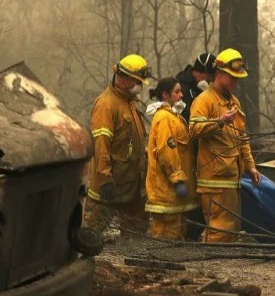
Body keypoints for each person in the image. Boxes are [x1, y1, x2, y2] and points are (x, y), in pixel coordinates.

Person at [189, 48, 261, 242]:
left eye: (238, 78)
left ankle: (217, 268)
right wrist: (219, 121)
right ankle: (206, 269)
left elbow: (241, 138)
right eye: (232, 77)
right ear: (219, 73)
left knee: (230, 231)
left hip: (231, 179)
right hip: (214, 181)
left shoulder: (233, 101)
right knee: (218, 231)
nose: (235, 82)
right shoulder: (204, 100)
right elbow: (193, 130)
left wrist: (250, 165)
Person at [85, 54, 151, 235]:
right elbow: (101, 144)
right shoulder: (106, 104)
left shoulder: (129, 102)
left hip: (132, 185)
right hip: (112, 185)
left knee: (136, 232)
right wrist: (105, 179)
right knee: (93, 231)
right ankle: (83, 260)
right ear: (122, 78)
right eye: (137, 81)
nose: (139, 86)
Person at [144, 78, 198, 240]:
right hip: (167, 193)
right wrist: (177, 179)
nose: (181, 95)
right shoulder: (164, 119)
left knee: (176, 237)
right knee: (166, 239)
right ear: (165, 95)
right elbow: (166, 151)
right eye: (177, 92)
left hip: (173, 197)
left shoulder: (174, 117)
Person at [176, 52, 217, 123]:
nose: (211, 81)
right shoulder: (181, 89)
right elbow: (183, 118)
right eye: (209, 77)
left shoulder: (201, 89)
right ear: (198, 73)